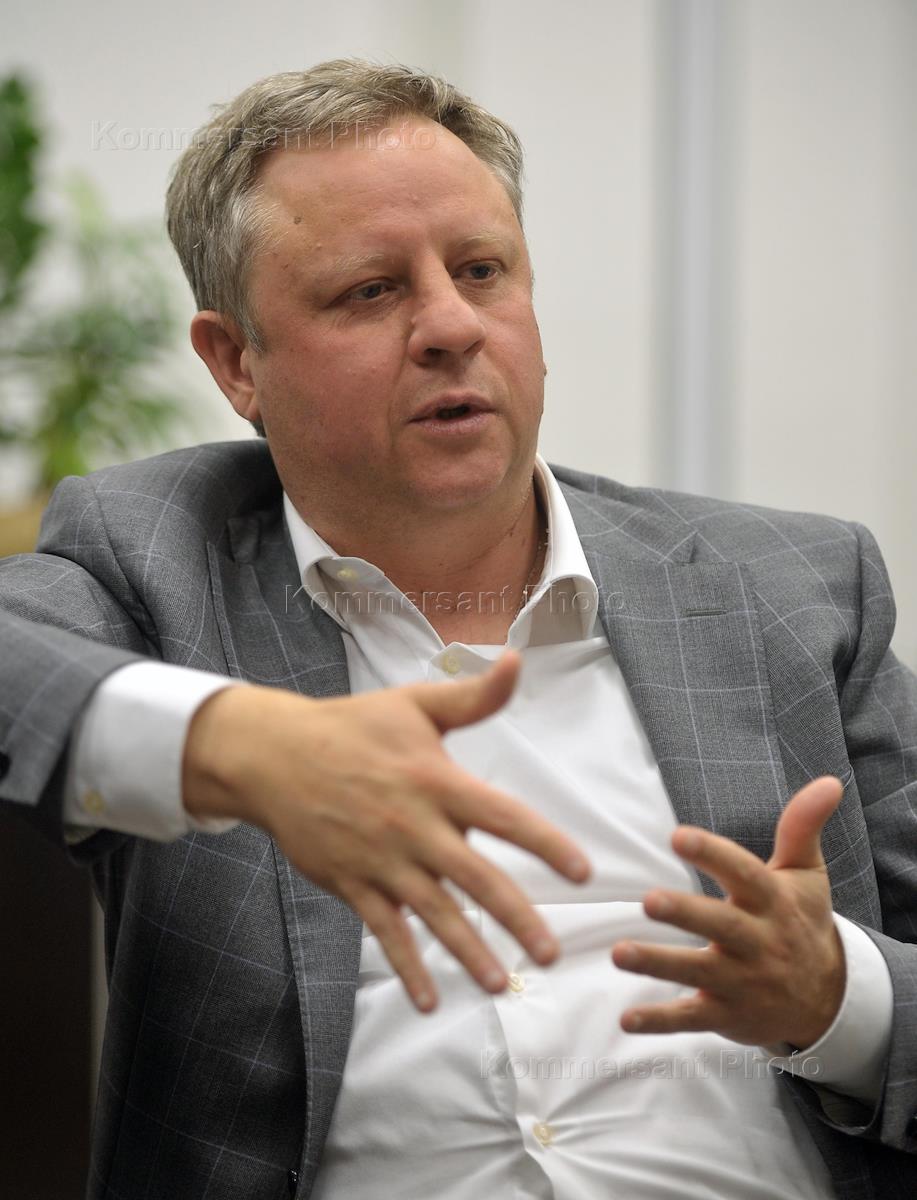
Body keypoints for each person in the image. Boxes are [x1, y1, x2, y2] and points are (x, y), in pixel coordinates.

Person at [1, 59, 915, 1200]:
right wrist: (236, 745)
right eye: (369, 291)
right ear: (237, 362)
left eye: (481, 270)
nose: (448, 325)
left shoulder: (790, 586)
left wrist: (835, 1002)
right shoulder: (156, 558)